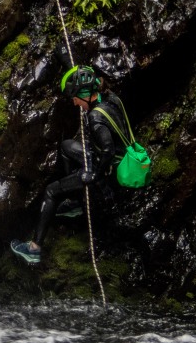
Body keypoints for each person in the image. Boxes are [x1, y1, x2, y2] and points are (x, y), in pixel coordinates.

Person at [10, 64, 128, 264]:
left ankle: (34, 248)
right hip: (115, 159)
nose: (74, 103)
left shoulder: (95, 118)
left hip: (106, 170)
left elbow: (107, 149)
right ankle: (76, 202)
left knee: (50, 191)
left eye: (74, 98)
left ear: (84, 94)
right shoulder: (110, 98)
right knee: (66, 146)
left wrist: (93, 175)